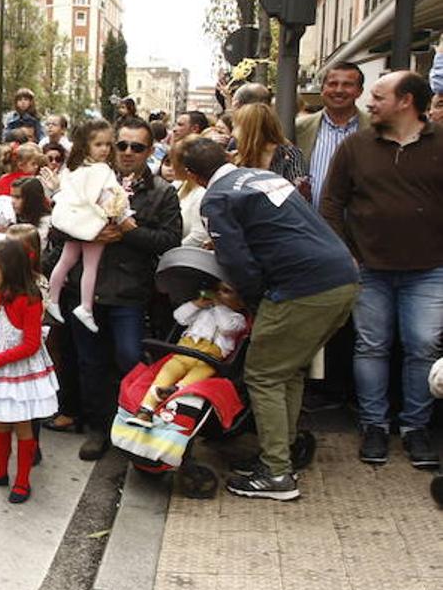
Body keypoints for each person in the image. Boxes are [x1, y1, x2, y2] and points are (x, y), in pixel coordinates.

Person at [182, 138, 359, 501]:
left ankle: (276, 474)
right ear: (228, 157)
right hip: (342, 278)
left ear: (193, 176)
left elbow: (237, 264)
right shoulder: (261, 177)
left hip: (302, 289)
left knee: (263, 374)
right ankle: (283, 449)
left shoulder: (217, 198)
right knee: (287, 371)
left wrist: (254, 299)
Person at [321, 70, 443, 469]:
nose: (369, 103)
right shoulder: (356, 146)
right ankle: (373, 425)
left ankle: (415, 428)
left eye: (378, 96)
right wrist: (344, 252)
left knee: (423, 346)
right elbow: (331, 203)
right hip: (369, 268)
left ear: (406, 101)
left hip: (430, 269)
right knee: (371, 346)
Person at [48, 116, 182, 461]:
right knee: (89, 361)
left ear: (149, 151)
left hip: (128, 291)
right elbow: (58, 227)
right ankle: (98, 427)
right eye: (121, 145)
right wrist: (87, 231)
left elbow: (169, 241)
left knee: (128, 356)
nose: (126, 152)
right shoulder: (89, 177)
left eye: (137, 147)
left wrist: (127, 231)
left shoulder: (162, 191)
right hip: (86, 288)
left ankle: (132, 421)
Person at [0, 240, 58, 502]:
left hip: (20, 371)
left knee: (22, 425)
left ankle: (22, 481)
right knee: (0, 421)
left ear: (9, 268)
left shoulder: (30, 299)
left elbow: (31, 344)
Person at [46, 120, 130, 334]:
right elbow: (114, 196)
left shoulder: (74, 169)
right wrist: (123, 214)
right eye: (98, 144)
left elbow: (67, 194)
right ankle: (85, 306)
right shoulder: (103, 170)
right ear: (86, 145)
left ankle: (53, 298)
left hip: (74, 223)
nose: (105, 149)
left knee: (66, 261)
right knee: (90, 265)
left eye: (108, 144)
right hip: (94, 223)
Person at [126, 283, 246, 428]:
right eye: (216, 290)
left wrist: (219, 306)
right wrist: (196, 304)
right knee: (165, 374)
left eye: (226, 291)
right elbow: (179, 317)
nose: (219, 294)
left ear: (240, 302)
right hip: (184, 352)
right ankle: (145, 410)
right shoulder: (203, 311)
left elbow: (227, 327)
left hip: (208, 359)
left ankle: (177, 389)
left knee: (198, 376)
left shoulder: (238, 318)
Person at [297, 62, 368, 209]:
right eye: (332, 84)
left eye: (347, 85)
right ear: (322, 89)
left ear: (359, 91)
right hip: (308, 218)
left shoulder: (376, 129)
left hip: (358, 221)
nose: (339, 90)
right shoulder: (299, 129)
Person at [232, 101, 308, 198]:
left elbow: (295, 195)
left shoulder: (289, 155)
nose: (233, 133)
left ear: (250, 131)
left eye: (236, 127)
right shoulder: (236, 155)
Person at [9, 176, 52, 245]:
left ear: (31, 199)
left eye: (17, 197)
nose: (12, 201)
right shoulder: (14, 218)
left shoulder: (47, 223)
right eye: (12, 196)